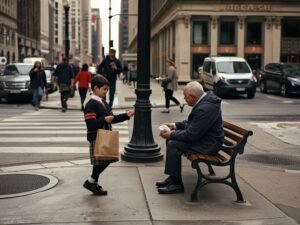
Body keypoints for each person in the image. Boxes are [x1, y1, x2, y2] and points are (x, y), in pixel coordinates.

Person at [156, 81, 224, 194]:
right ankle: (173, 177)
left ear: (192, 97)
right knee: (172, 140)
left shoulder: (205, 108)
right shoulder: (203, 102)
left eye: (185, 97)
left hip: (209, 145)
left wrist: (171, 134)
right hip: (205, 139)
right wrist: (174, 125)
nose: (184, 99)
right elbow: (191, 124)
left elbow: (191, 134)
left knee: (173, 143)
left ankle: (177, 184)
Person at [83, 75, 134, 195]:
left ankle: (92, 182)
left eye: (107, 89)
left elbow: (112, 118)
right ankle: (91, 182)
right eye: (104, 89)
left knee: (104, 160)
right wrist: (104, 119)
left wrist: (126, 115)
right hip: (96, 136)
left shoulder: (103, 103)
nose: (106, 91)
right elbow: (90, 124)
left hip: (104, 135)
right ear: (95, 88)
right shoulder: (91, 104)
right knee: (104, 160)